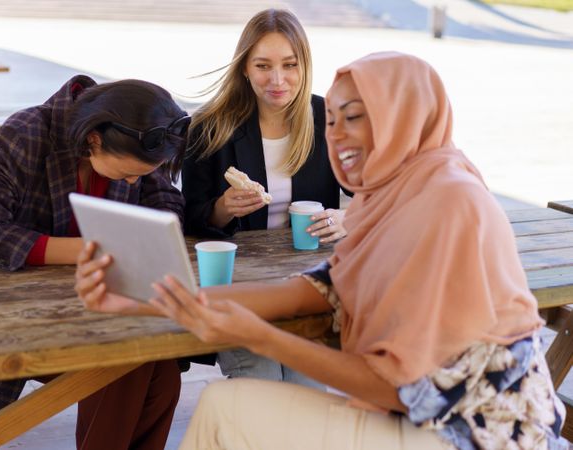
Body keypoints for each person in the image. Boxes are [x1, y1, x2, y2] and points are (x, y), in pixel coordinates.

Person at [75, 52, 568, 449]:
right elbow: (307, 293)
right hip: (430, 421)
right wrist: (146, 299)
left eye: (355, 118)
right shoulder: (388, 197)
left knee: (228, 413)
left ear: (405, 119)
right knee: (228, 408)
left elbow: (404, 388)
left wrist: (263, 339)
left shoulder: (449, 200)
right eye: (330, 119)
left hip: (479, 433)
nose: (336, 136)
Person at [0, 75, 188, 449]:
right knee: (124, 363)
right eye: (129, 175)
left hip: (107, 303)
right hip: (28, 309)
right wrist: (90, 250)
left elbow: (166, 202)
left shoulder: (138, 140)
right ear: (94, 139)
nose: (135, 184)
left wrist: (155, 235)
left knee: (164, 371)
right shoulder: (25, 134)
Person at [182, 8, 346, 388]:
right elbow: (189, 216)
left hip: (308, 283)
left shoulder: (328, 118)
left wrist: (345, 219)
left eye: (289, 64)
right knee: (261, 381)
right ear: (244, 68)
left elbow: (378, 189)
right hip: (242, 287)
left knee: (307, 386)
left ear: (304, 65)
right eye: (262, 66)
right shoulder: (210, 125)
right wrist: (222, 209)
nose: (277, 80)